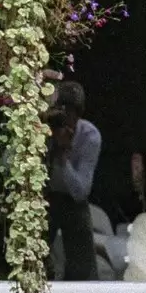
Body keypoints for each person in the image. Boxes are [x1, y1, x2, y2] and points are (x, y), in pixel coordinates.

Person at [46, 81, 102, 281]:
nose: (65, 120)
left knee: (83, 265)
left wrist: (62, 156)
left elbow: (80, 191)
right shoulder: (42, 130)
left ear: (79, 114)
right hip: (44, 197)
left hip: (73, 200)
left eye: (71, 114)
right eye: (61, 113)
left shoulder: (89, 136)